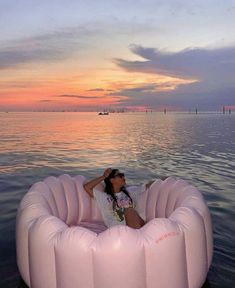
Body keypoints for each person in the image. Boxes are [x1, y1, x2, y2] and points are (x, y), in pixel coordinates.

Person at [83, 168, 154, 229]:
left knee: (130, 211)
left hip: (136, 222)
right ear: (112, 180)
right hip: (118, 228)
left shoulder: (130, 191)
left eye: (123, 175)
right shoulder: (104, 197)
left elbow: (148, 185)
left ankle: (137, 237)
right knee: (129, 211)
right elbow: (87, 187)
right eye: (120, 176)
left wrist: (164, 180)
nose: (123, 177)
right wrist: (104, 176)